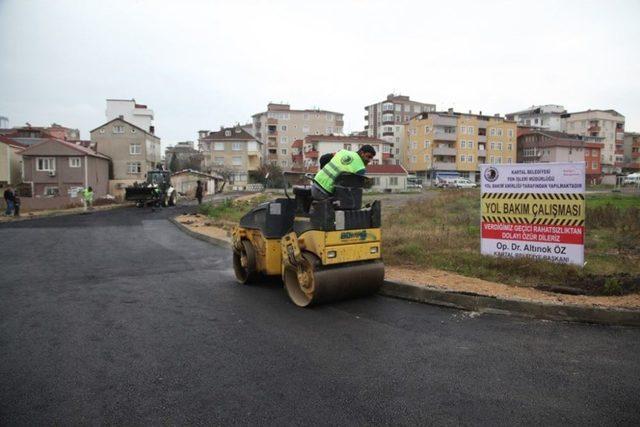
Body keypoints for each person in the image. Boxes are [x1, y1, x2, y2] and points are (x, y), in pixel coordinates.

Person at [311, 145, 376, 200]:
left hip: (314, 184)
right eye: (368, 157)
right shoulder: (360, 168)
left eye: (371, 158)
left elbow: (323, 158)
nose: (369, 160)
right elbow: (354, 189)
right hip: (325, 193)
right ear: (362, 153)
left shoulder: (343, 152)